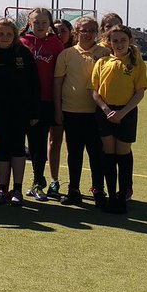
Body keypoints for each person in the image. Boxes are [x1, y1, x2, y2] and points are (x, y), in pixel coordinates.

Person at [0, 18, 39, 206]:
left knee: (18, 147)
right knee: (3, 147)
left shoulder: (24, 53)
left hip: (21, 110)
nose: (4, 37)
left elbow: (34, 84)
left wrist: (34, 112)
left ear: (14, 35)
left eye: (8, 34)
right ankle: (1, 188)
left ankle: (17, 189)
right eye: (0, 34)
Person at [91, 25, 147, 214]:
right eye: (115, 40)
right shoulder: (102, 62)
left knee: (123, 155)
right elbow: (95, 92)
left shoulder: (136, 63)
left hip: (127, 114)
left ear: (129, 40)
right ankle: (111, 197)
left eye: (123, 40)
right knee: (108, 154)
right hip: (105, 113)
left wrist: (122, 113)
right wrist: (107, 110)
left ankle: (122, 196)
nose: (119, 43)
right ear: (109, 42)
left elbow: (140, 92)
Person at [53, 16, 110, 205]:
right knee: (74, 154)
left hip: (96, 113)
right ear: (76, 32)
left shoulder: (105, 53)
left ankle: (98, 190)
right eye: (83, 30)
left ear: (97, 32)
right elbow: (58, 83)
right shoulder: (66, 54)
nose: (87, 34)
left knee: (96, 153)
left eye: (92, 30)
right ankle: (73, 190)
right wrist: (58, 109)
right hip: (71, 112)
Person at [21, 7, 66, 201]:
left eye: (44, 22)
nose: (40, 26)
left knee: (38, 145)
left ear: (49, 24)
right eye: (36, 22)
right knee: (19, 145)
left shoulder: (56, 45)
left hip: (46, 101)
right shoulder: (21, 42)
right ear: (29, 23)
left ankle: (38, 182)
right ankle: (10, 186)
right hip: (24, 101)